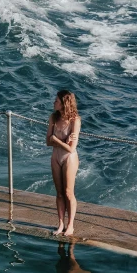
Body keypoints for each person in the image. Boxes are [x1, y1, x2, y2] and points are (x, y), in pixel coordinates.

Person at [46, 89, 81, 236]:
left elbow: (71, 148)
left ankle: (70, 225)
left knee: (68, 192)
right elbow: (48, 141)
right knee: (59, 193)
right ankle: (60, 224)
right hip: (56, 157)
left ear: (63, 103)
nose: (54, 103)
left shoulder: (75, 120)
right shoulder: (53, 118)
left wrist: (56, 140)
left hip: (69, 159)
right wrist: (60, 141)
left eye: (57, 101)